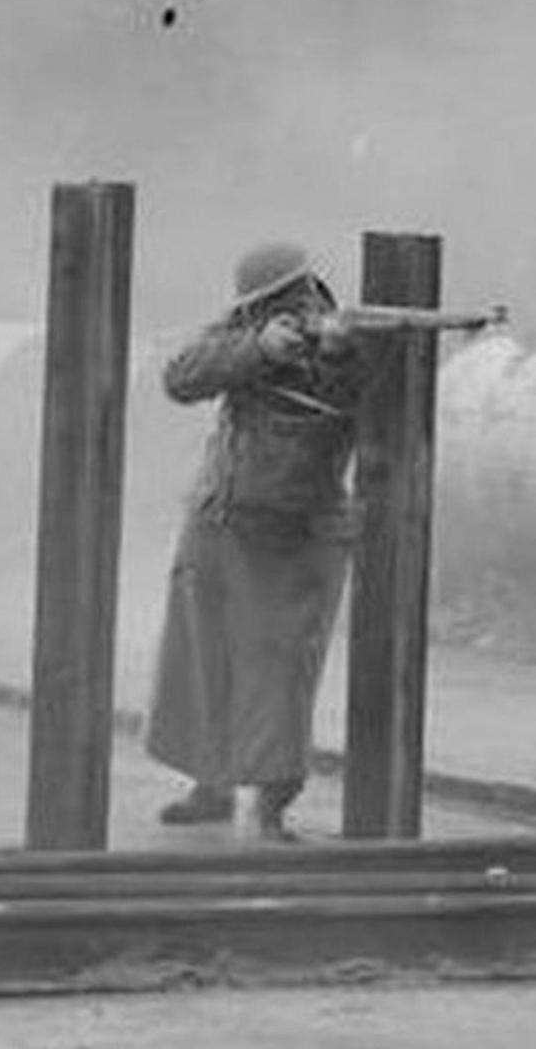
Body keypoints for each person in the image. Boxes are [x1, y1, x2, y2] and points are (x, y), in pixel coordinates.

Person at [146, 241, 370, 841]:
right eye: (273, 305)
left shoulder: (351, 343)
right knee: (202, 656)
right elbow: (181, 376)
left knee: (278, 669)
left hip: (295, 534)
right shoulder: (243, 330)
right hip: (219, 519)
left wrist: (342, 358)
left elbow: (372, 407)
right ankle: (210, 785)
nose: (289, 311)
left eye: (295, 299)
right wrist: (256, 350)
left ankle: (270, 805)